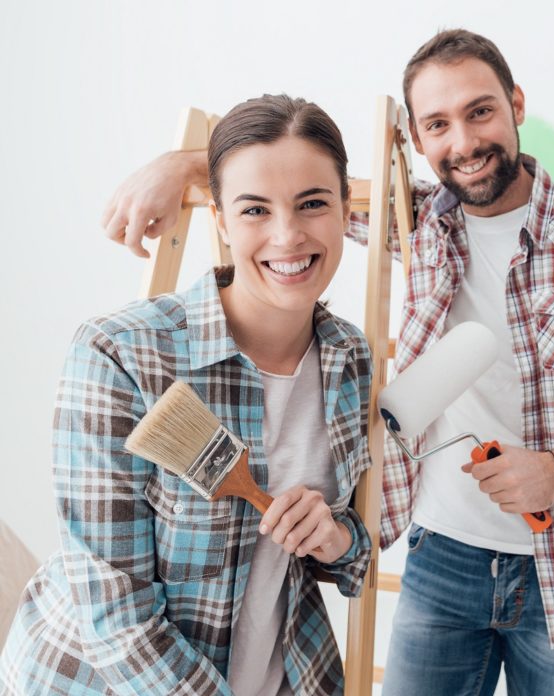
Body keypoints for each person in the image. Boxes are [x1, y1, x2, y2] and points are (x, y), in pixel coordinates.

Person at [100, 29, 554, 696]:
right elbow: (298, 190)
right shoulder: (417, 221)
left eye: (480, 112)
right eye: (438, 125)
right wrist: (181, 165)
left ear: (516, 105)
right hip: (441, 558)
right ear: (417, 141)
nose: (465, 143)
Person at [1, 94, 373, 696]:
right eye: (255, 209)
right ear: (221, 223)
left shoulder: (349, 361)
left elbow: (349, 555)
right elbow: (116, 615)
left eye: (312, 203)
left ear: (342, 212)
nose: (288, 234)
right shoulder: (120, 354)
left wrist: (334, 537)